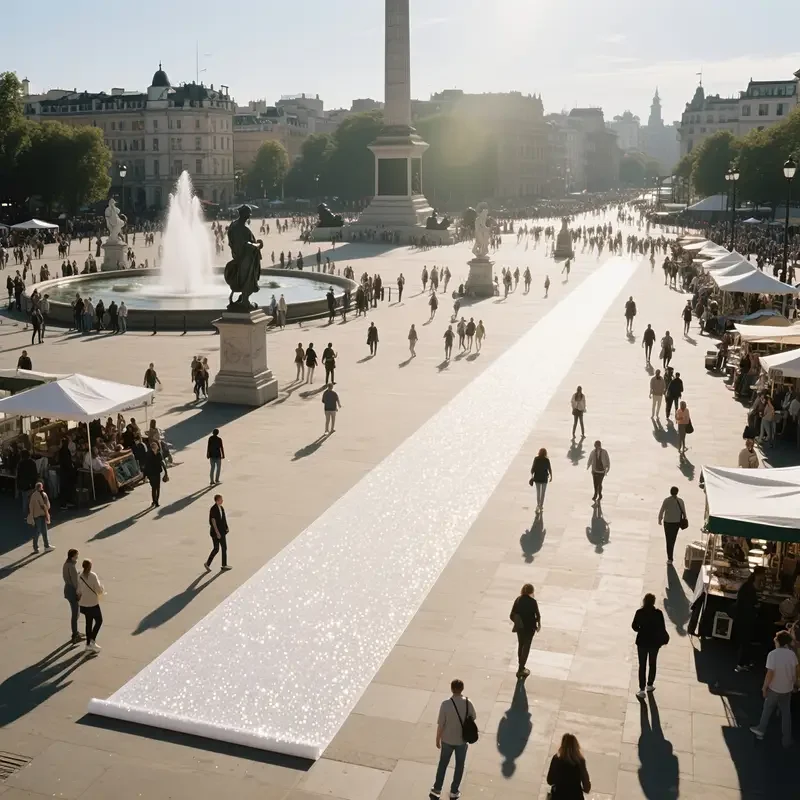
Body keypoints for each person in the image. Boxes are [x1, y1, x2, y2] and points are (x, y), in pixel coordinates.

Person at [750, 630, 798, 747]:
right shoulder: (792, 655)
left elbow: (770, 673)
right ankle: (786, 739)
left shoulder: (773, 654)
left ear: (778, 642)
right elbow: (796, 670)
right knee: (786, 714)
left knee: (767, 710)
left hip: (774, 688)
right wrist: (794, 684)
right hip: (787, 689)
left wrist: (764, 687)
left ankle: (761, 730)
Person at [430, 679, 476, 800]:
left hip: (447, 740)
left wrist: (437, 739)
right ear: (462, 689)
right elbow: (473, 717)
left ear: (451, 689)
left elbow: (441, 724)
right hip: (462, 741)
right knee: (459, 766)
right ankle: (454, 791)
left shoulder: (445, 704)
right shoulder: (468, 703)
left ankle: (437, 790)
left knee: (443, 765)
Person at [631, 593, 669, 698]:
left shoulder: (639, 612)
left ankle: (641, 689)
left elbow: (634, 626)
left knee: (642, 665)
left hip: (642, 642)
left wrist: (641, 630)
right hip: (654, 643)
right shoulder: (658, 613)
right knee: (652, 663)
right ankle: (650, 685)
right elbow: (662, 628)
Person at [734, 567, 765, 672]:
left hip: (744, 617)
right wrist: (756, 606)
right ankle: (741, 663)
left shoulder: (748, 585)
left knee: (745, 641)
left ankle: (744, 662)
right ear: (758, 575)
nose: (764, 576)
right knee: (745, 641)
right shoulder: (749, 588)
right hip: (745, 618)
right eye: (763, 574)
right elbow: (748, 604)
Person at [546, 733, 591, 799]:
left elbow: (550, 780)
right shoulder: (580, 761)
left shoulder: (556, 759)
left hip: (558, 796)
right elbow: (586, 786)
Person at [510, 583, 541, 678]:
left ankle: (521, 665)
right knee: (526, 648)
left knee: (521, 645)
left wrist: (517, 622)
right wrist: (538, 624)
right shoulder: (533, 602)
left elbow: (511, 614)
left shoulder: (518, 600)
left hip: (520, 628)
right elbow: (538, 615)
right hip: (530, 628)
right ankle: (521, 668)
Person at [76, 558, 104, 654]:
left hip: (83, 604)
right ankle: (92, 641)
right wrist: (102, 587)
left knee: (89, 622)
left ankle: (88, 644)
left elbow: (78, 591)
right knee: (99, 620)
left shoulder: (79, 576)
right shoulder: (92, 576)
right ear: (90, 567)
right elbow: (99, 590)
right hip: (93, 603)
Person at [658, 486, 687, 564]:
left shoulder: (666, 500)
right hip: (676, 523)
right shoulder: (680, 501)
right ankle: (670, 557)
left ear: (670, 492)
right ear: (677, 492)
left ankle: (669, 558)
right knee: (673, 539)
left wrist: (659, 519)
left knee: (668, 540)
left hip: (667, 522)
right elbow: (684, 512)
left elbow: (662, 510)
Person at [204, 494, 231, 571]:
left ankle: (210, 564)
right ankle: (222, 565)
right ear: (217, 500)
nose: (222, 501)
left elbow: (223, 519)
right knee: (219, 548)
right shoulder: (213, 509)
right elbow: (213, 521)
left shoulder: (221, 508)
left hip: (222, 531)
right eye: (221, 499)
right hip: (216, 533)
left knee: (220, 548)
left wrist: (226, 527)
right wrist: (217, 533)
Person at [63, 548, 84, 645]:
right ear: (72, 557)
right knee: (75, 613)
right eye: (76, 556)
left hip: (67, 589)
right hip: (72, 591)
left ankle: (76, 633)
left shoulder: (66, 564)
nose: (77, 557)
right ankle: (75, 635)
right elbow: (75, 582)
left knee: (76, 613)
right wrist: (79, 592)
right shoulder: (71, 566)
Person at [27, 481, 53, 553]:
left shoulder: (34, 495)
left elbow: (31, 507)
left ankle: (38, 547)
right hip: (42, 515)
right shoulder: (44, 494)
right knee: (42, 531)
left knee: (38, 532)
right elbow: (48, 505)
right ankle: (46, 546)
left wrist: (31, 516)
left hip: (37, 515)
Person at [143, 440, 168, 508]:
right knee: (154, 488)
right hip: (151, 473)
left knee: (158, 487)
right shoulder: (149, 454)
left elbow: (162, 463)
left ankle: (156, 501)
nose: (155, 448)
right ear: (152, 448)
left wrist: (166, 472)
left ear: (157, 447)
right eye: (153, 447)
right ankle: (154, 501)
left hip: (157, 472)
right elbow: (146, 465)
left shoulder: (159, 454)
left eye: (155, 446)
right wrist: (145, 476)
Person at [16, 449, 39, 521]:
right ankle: (33, 514)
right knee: (32, 499)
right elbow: (35, 474)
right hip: (31, 484)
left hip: (23, 485)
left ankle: (26, 515)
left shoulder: (20, 463)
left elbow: (18, 475)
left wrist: (18, 485)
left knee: (25, 500)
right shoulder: (32, 463)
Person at [530, 448, 552, 513]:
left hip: (537, 478)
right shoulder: (547, 460)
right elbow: (549, 468)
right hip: (544, 478)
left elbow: (532, 469)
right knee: (543, 493)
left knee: (538, 493)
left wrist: (532, 476)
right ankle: (541, 506)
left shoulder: (536, 459)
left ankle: (538, 505)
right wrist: (551, 476)